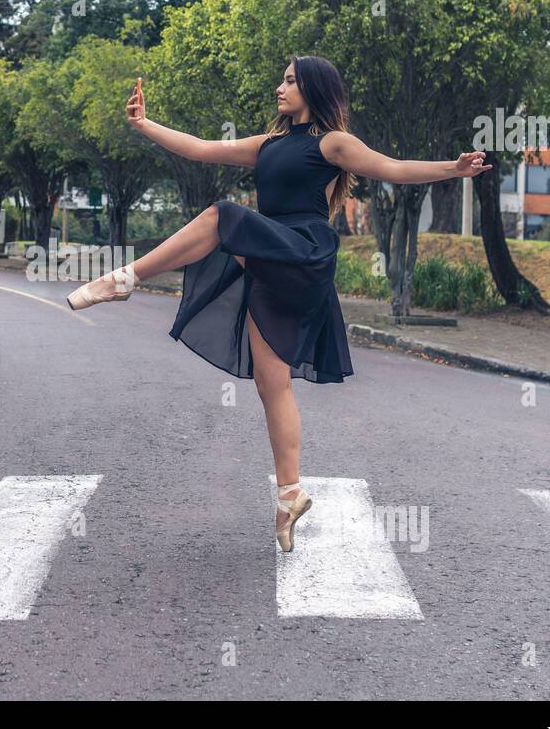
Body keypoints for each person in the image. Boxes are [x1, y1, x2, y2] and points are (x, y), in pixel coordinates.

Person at [65, 54, 491, 551]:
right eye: (283, 80)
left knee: (222, 216)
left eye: (290, 81)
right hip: (270, 257)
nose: (279, 88)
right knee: (272, 384)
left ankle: (125, 278)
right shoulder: (268, 145)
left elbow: (391, 168)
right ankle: (290, 495)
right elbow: (203, 149)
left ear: (313, 88)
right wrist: (144, 125)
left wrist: (453, 169)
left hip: (302, 251)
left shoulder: (331, 142)